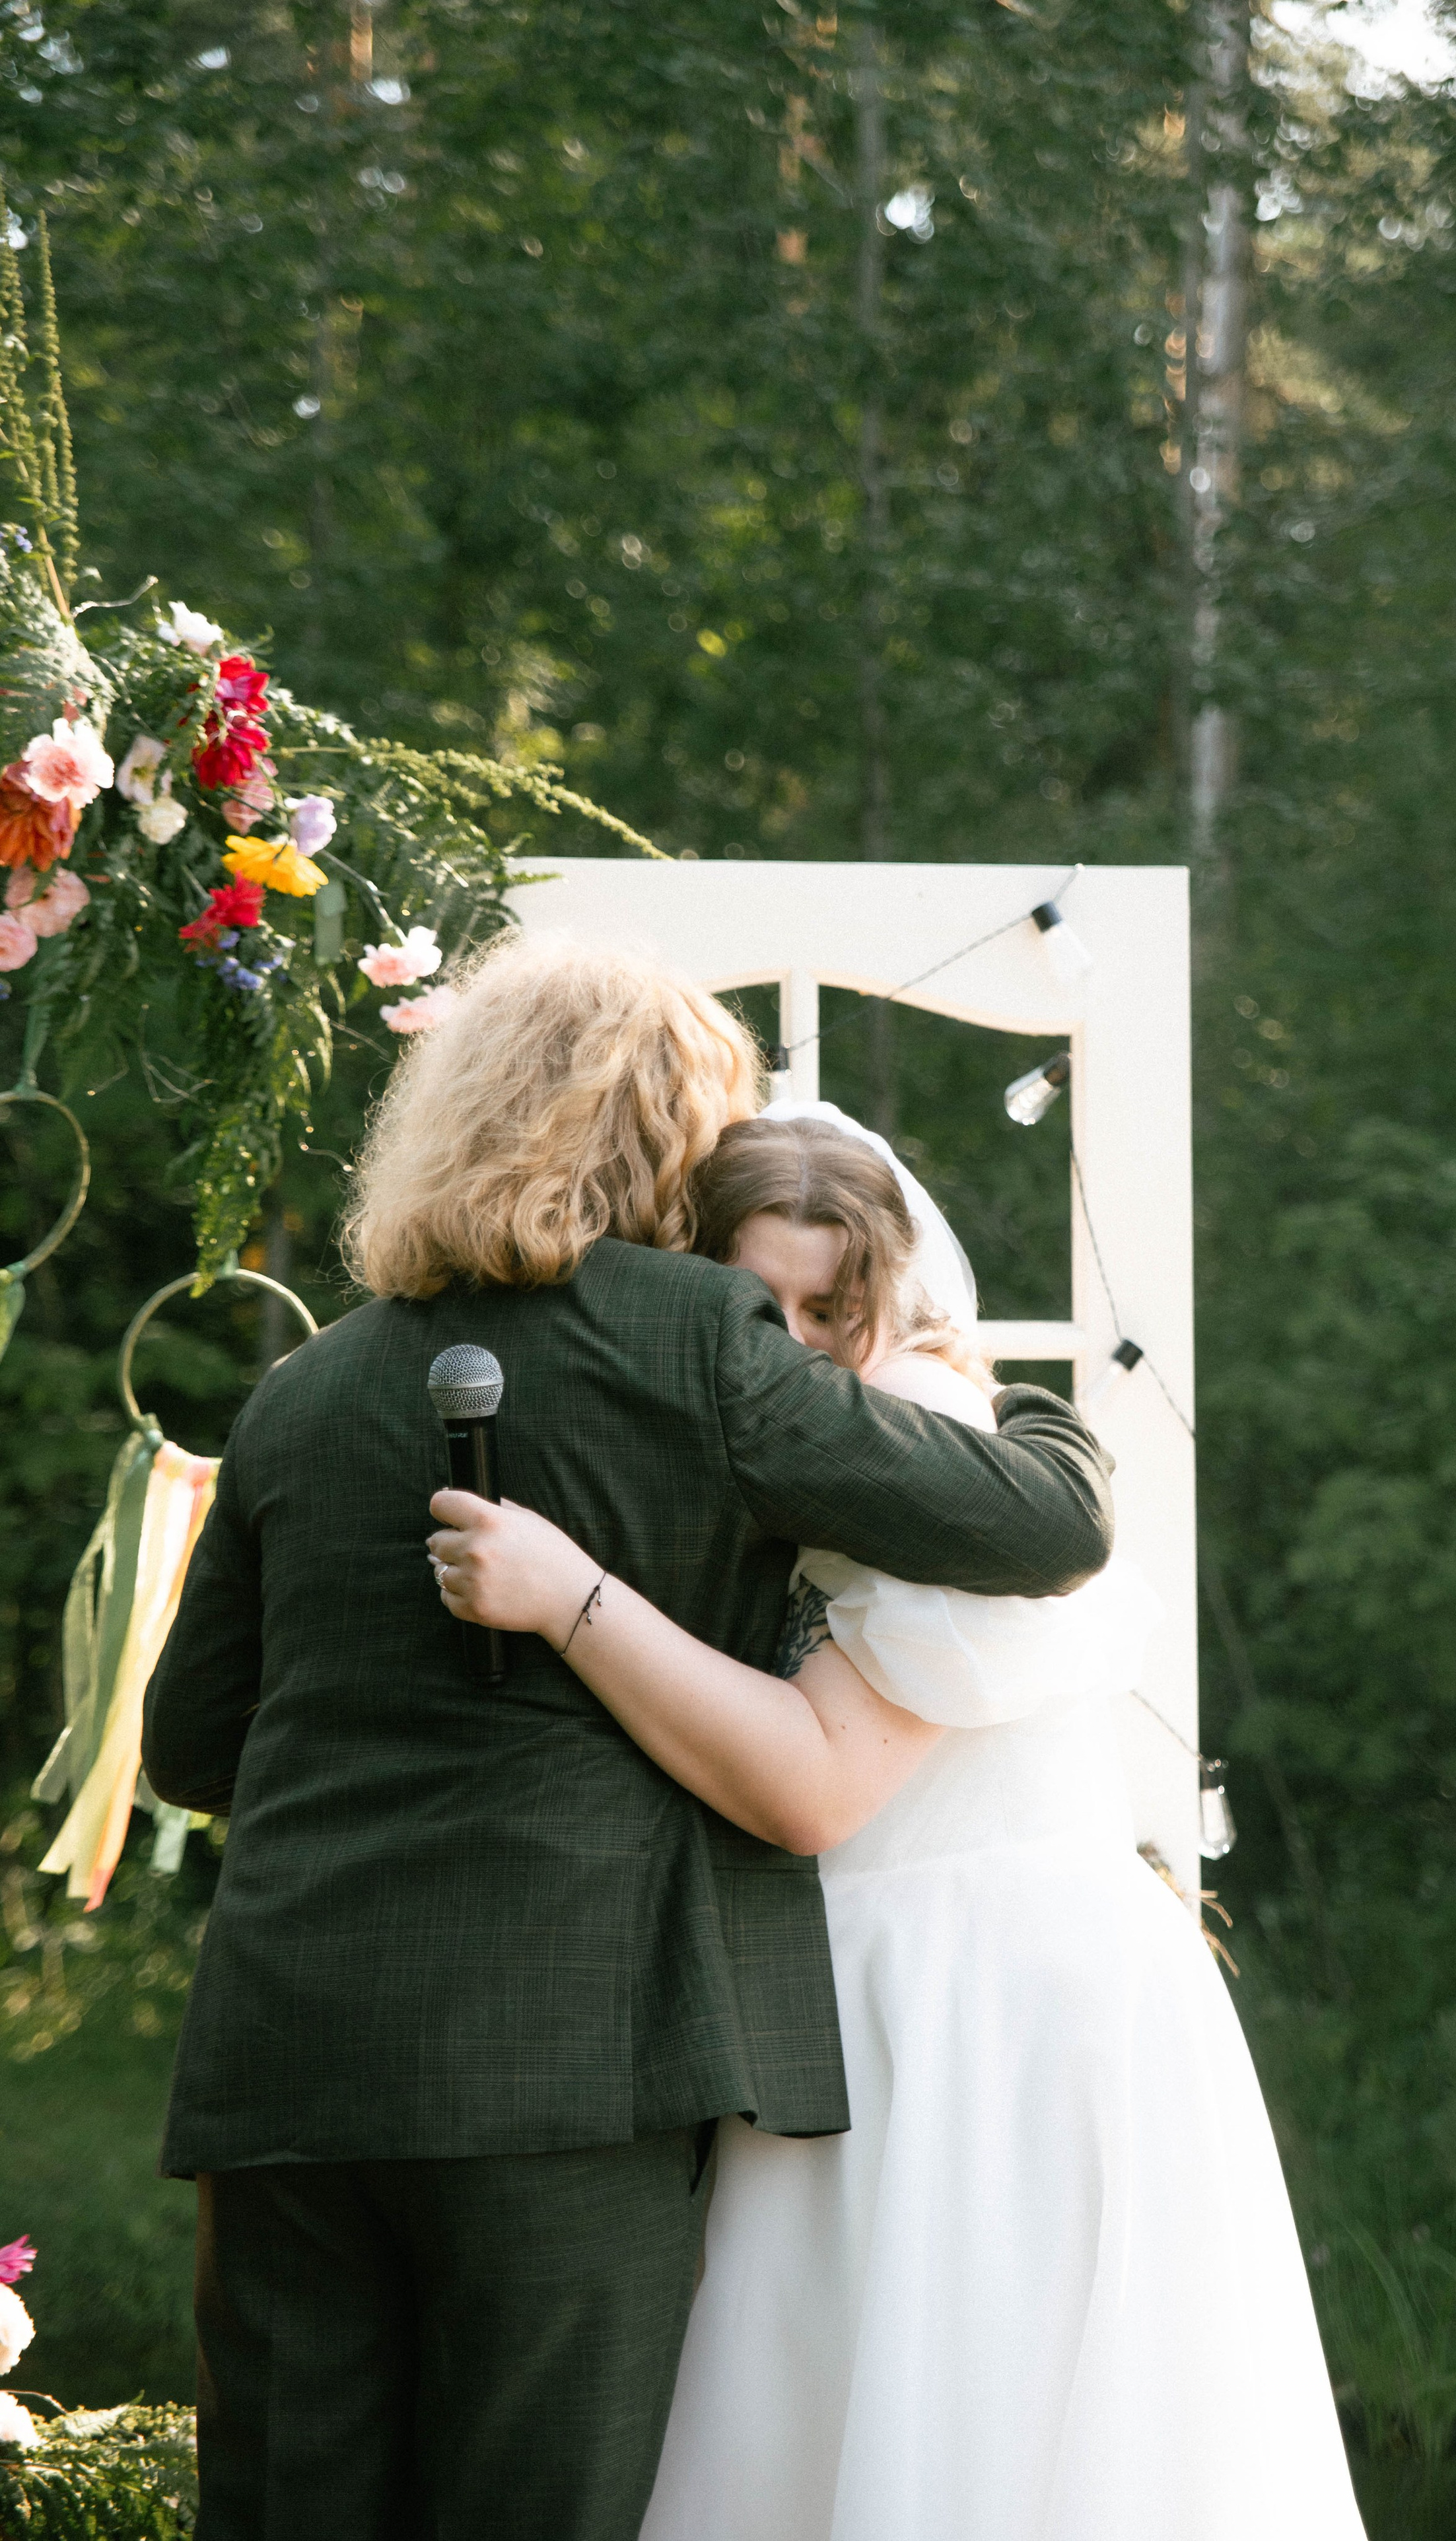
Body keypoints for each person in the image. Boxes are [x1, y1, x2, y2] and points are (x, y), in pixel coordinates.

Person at [140, 938, 1116, 2541]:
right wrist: (997, 1393)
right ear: (675, 1134)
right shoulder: (698, 1337)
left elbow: (189, 1748)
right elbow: (1050, 1528)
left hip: (288, 2062)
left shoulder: (303, 1391)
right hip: (568, 2071)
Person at [429, 1107, 1369, 2541]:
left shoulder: (917, 1428)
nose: (804, 1349)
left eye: (833, 1309)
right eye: (767, 1310)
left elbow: (811, 1786)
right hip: (873, 1987)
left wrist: (570, 1600)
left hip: (969, 2012)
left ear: (889, 1294)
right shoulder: (788, 1454)